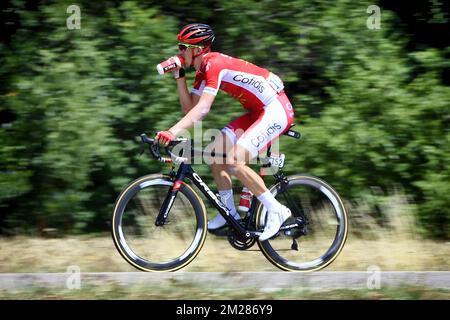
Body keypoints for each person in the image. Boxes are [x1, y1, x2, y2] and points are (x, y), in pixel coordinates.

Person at [155, 23, 295, 241]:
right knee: (214, 153)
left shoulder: (214, 64)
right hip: (258, 112)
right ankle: (229, 213)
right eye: (179, 47)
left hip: (275, 109)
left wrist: (172, 132)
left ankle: (277, 210)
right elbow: (189, 108)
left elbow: (203, 109)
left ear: (197, 49)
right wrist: (179, 75)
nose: (179, 52)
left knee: (235, 161)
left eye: (183, 47)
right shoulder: (202, 71)